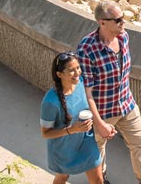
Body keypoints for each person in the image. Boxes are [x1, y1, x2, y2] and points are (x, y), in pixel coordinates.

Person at [77, 0, 141, 184]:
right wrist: (99, 123)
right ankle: (101, 178)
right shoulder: (86, 49)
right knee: (97, 148)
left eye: (123, 18)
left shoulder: (124, 37)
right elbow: (86, 92)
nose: (123, 23)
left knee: (139, 143)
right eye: (118, 20)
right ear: (102, 22)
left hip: (126, 104)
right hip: (102, 110)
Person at [40, 51, 104, 184]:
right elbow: (45, 133)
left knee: (98, 180)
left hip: (86, 140)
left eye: (78, 68)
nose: (77, 73)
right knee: (63, 177)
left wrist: (101, 123)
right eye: (71, 70)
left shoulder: (80, 82)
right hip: (64, 148)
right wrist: (72, 129)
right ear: (59, 74)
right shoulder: (50, 102)